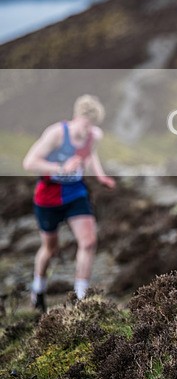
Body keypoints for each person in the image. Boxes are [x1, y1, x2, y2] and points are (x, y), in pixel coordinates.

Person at [22, 94, 116, 312]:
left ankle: (81, 298)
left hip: (76, 194)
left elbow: (91, 154)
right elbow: (29, 162)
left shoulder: (94, 135)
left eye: (92, 125)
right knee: (50, 249)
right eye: (85, 123)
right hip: (48, 197)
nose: (87, 130)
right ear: (77, 116)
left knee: (89, 242)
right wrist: (61, 168)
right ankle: (38, 290)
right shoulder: (56, 133)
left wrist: (100, 176)